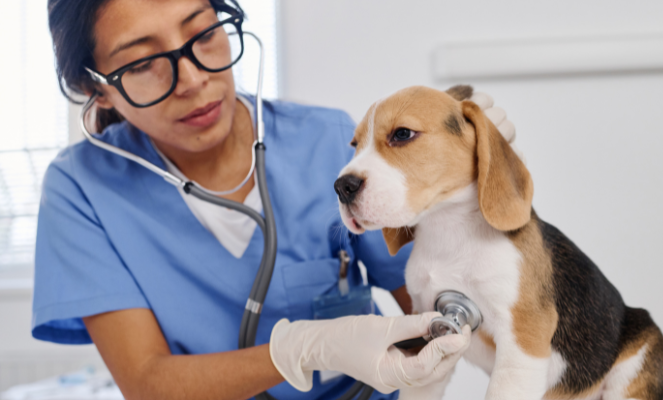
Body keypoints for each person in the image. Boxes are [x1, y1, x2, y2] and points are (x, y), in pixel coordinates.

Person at [34, 0, 518, 399]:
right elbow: (146, 381)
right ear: (94, 89)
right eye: (141, 63)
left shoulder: (331, 142)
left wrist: (470, 192)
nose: (192, 80)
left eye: (203, 34)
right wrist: (303, 349)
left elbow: (446, 302)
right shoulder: (80, 190)